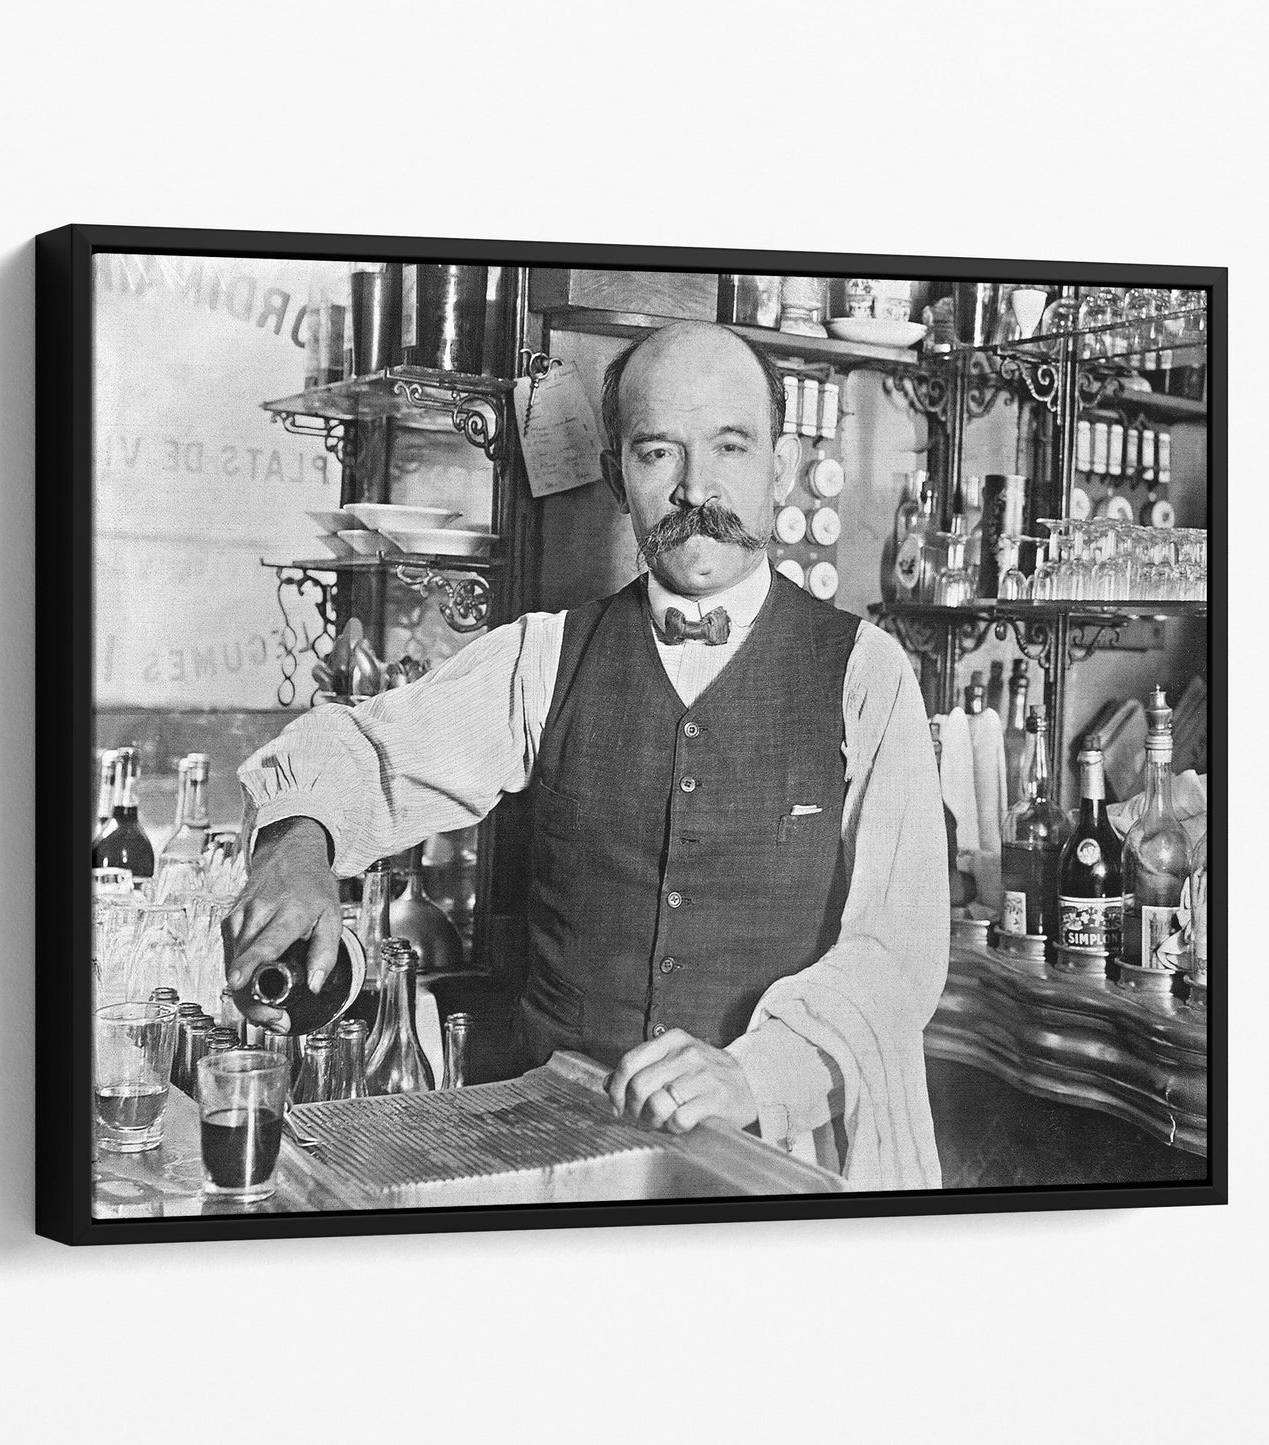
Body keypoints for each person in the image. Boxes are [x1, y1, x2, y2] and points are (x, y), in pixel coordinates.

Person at [227, 321, 949, 1189]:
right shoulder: (545, 656)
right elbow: (367, 749)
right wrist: (301, 838)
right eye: (657, 453)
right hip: (556, 1146)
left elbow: (895, 953)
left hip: (765, 1157)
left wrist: (753, 1071)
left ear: (782, 467)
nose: (696, 487)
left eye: (730, 445)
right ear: (617, 476)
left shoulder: (864, 673)